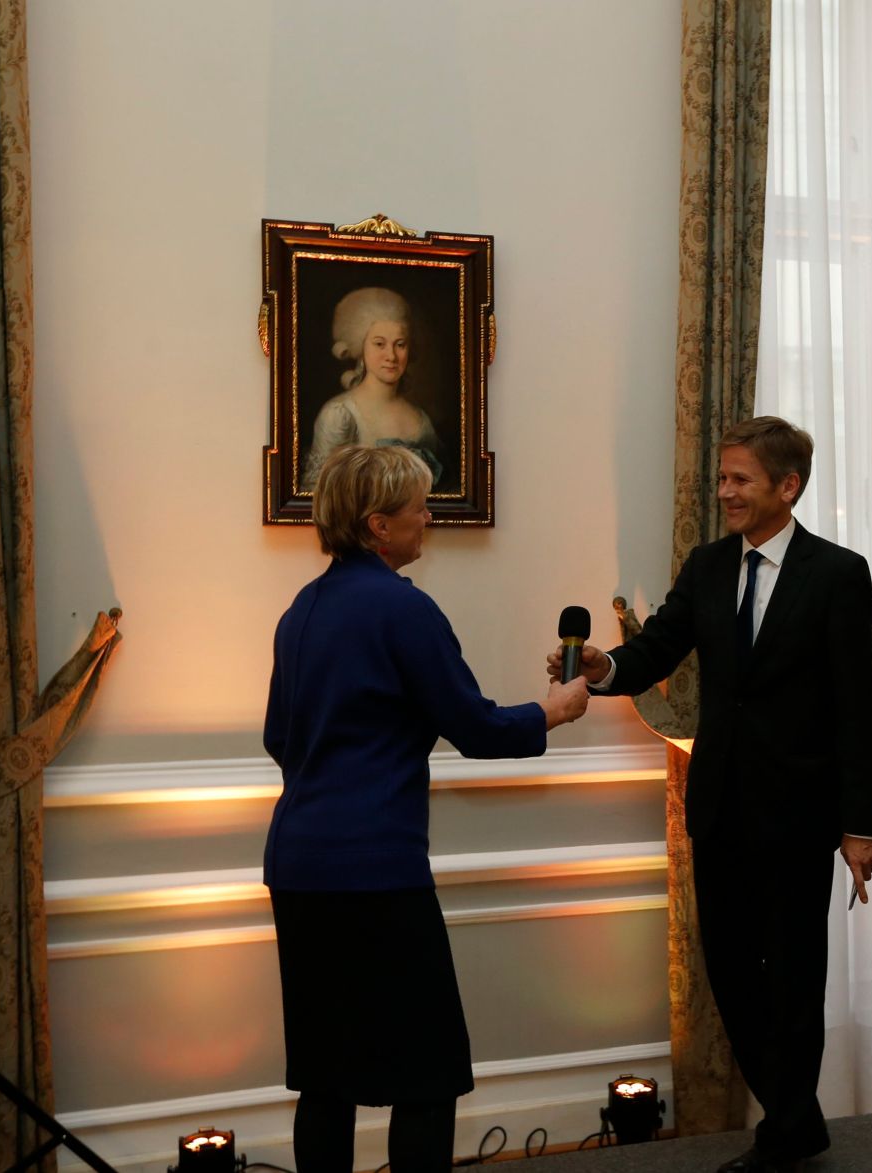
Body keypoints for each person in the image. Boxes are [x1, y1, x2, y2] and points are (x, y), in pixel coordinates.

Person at [549, 416, 872, 1173]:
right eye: (722, 477)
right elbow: (655, 649)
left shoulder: (838, 573)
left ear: (787, 486)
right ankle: (798, 1121)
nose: (725, 491)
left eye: (740, 479)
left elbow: (857, 705)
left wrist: (860, 824)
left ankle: (786, 1132)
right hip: (720, 806)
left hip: (799, 816)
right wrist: (604, 666)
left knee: (793, 980)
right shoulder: (706, 566)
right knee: (731, 974)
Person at [266, 443, 590, 1172]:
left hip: (297, 864)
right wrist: (554, 709)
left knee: (326, 1076)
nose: (428, 519)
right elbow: (475, 727)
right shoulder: (403, 608)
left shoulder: (300, 610)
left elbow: (278, 737)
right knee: (427, 1072)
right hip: (376, 871)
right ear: (379, 526)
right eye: (418, 507)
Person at [302, 287, 444, 492]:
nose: (391, 356)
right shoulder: (340, 415)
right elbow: (318, 494)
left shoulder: (421, 421)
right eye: (379, 344)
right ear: (361, 347)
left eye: (400, 344)